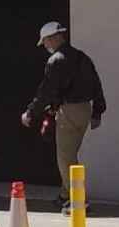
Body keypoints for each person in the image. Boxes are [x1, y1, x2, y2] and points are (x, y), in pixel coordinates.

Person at [21, 21, 105, 213]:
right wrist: (98, 111)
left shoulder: (56, 61)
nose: (45, 46)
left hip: (68, 112)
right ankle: (65, 195)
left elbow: (46, 91)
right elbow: (96, 84)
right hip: (84, 110)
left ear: (54, 38)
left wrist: (30, 112)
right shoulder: (82, 57)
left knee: (65, 158)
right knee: (69, 154)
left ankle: (78, 201)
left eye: (46, 42)